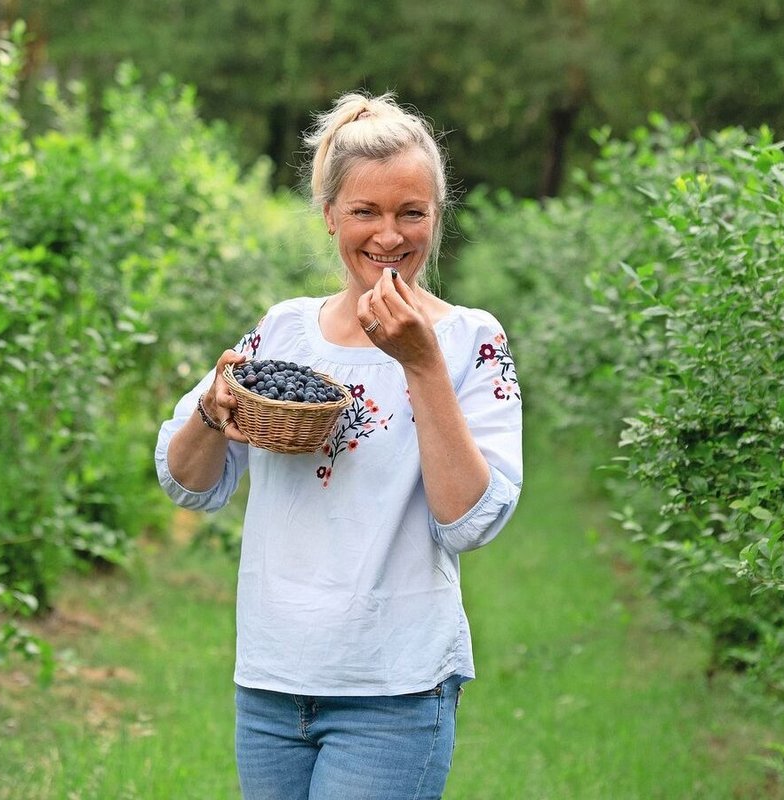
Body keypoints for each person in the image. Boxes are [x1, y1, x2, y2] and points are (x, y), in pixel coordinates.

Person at [154, 90, 523, 799]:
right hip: (271, 682)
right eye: (366, 212)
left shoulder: (471, 341)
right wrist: (210, 410)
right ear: (329, 217)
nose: (389, 235)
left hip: (395, 688)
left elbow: (469, 520)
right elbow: (189, 483)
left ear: (436, 218)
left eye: (411, 212)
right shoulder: (284, 332)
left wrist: (420, 365)